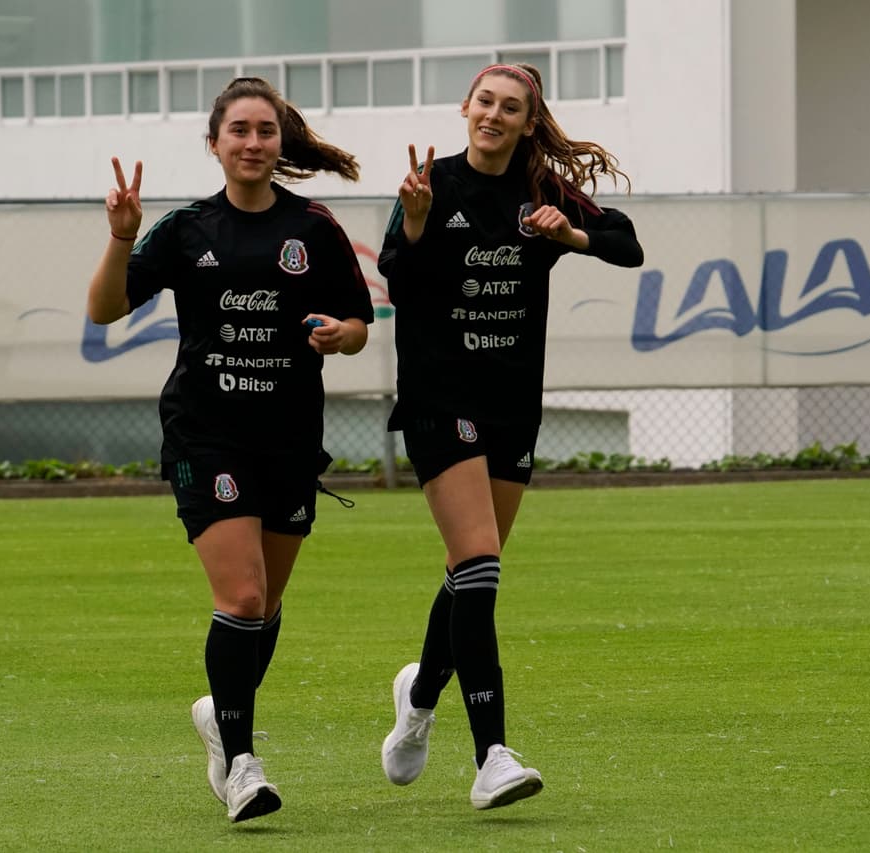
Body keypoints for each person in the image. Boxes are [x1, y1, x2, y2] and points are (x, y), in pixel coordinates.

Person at [87, 77, 372, 823]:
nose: (252, 142)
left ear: (281, 142)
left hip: (288, 438)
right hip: (205, 434)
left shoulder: (313, 228)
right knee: (241, 597)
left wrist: (341, 337)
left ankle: (223, 714)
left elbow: (357, 325)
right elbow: (105, 307)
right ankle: (243, 765)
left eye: (265, 131)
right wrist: (121, 238)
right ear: (214, 143)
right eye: (238, 130)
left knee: (266, 605)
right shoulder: (187, 230)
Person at [376, 62, 644, 810]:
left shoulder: (540, 191)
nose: (494, 114)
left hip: (510, 406)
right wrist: (420, 217)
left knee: (471, 571)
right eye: (485, 101)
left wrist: (574, 231)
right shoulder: (429, 183)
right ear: (466, 108)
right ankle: (492, 753)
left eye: (511, 107)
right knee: (482, 564)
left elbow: (629, 246)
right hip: (438, 400)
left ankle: (420, 693)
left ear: (530, 122)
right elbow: (398, 273)